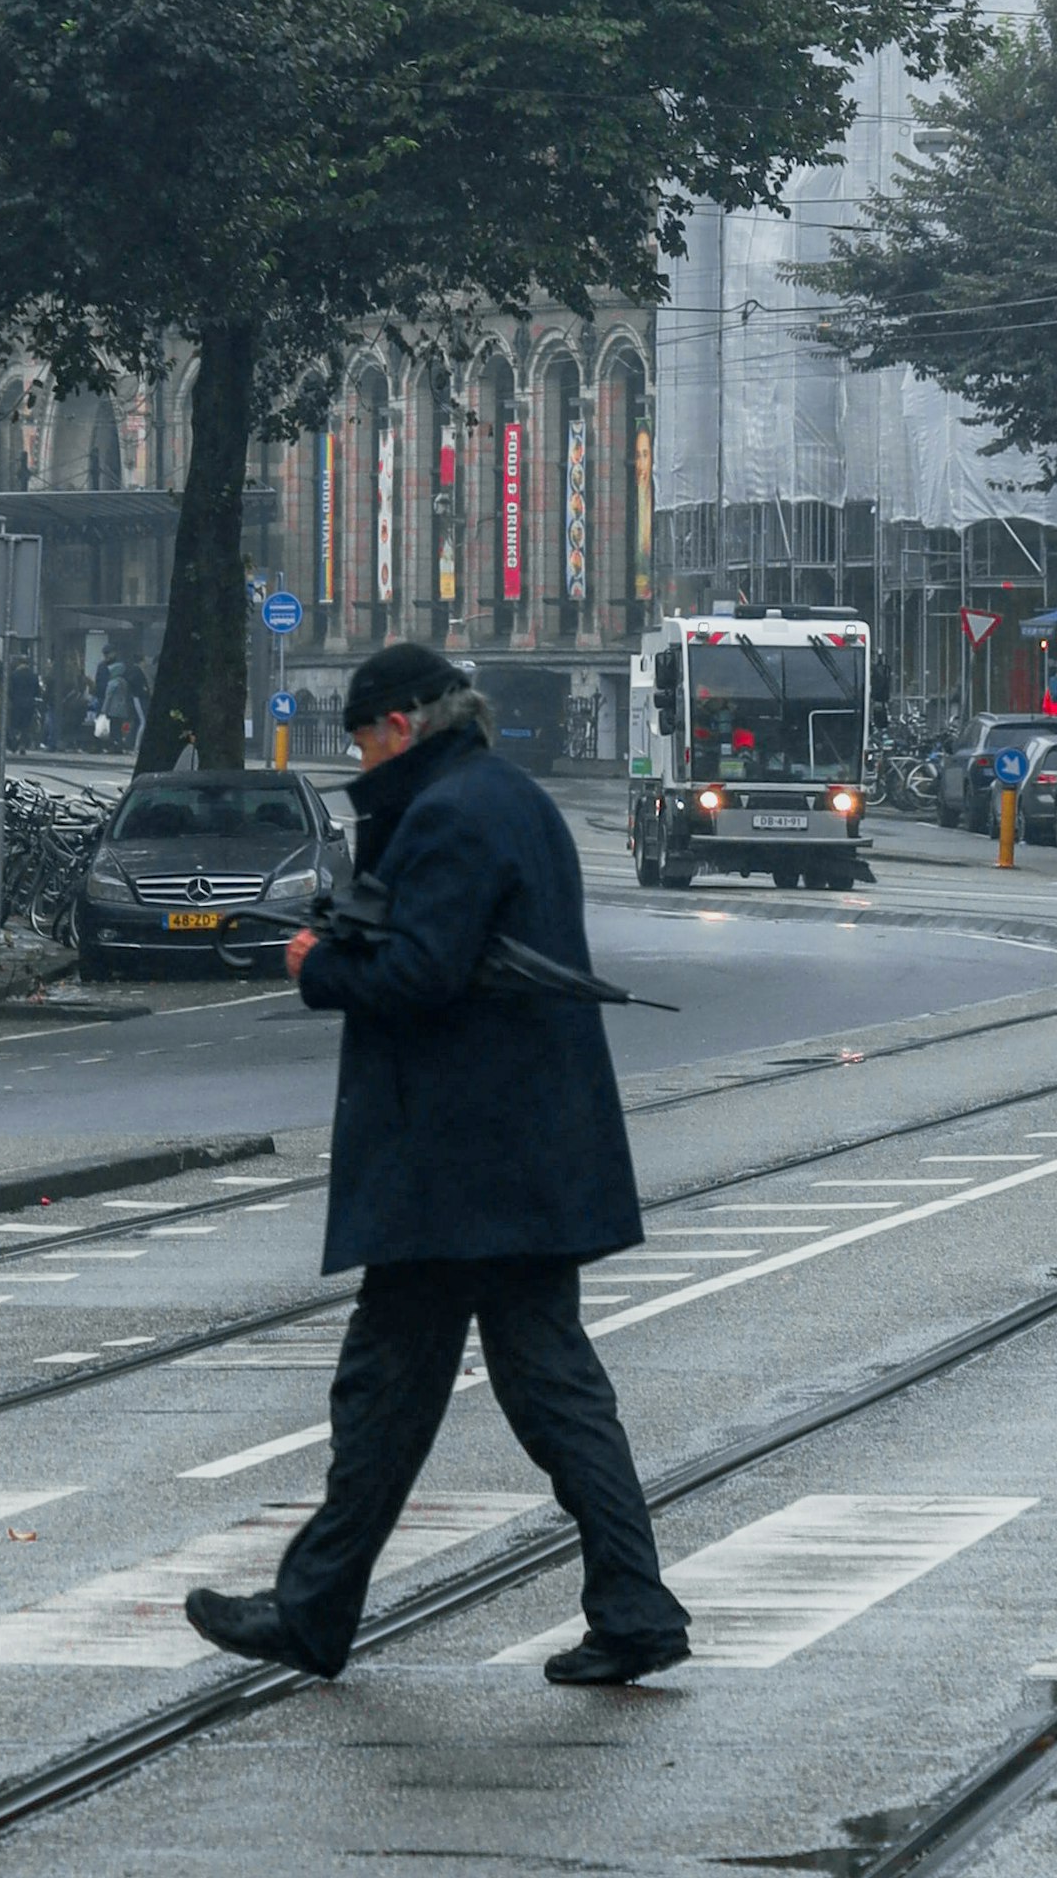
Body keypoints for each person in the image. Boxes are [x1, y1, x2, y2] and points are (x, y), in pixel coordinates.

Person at [185, 637, 689, 1693]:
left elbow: (423, 971)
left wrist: (321, 965)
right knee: (503, 1391)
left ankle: (323, 1609)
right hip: (512, 1157)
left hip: (463, 1166)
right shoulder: (511, 798)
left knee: (410, 1393)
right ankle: (624, 1605)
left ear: (401, 723)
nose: (363, 763)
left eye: (364, 740)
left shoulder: (449, 814)